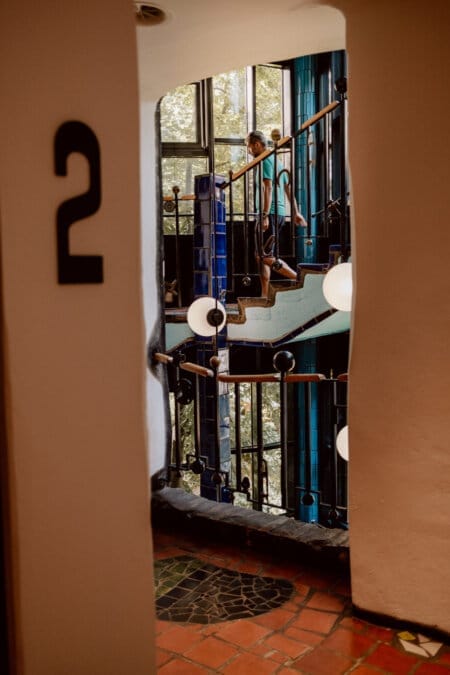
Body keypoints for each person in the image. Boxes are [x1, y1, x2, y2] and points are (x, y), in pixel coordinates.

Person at [246, 130, 308, 298]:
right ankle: (265, 294)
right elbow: (288, 189)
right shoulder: (277, 162)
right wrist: (296, 212)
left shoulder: (265, 159)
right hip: (277, 213)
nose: (248, 151)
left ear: (257, 145)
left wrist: (265, 215)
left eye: (249, 147)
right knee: (262, 256)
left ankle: (298, 278)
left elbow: (268, 188)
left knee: (262, 255)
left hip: (270, 213)